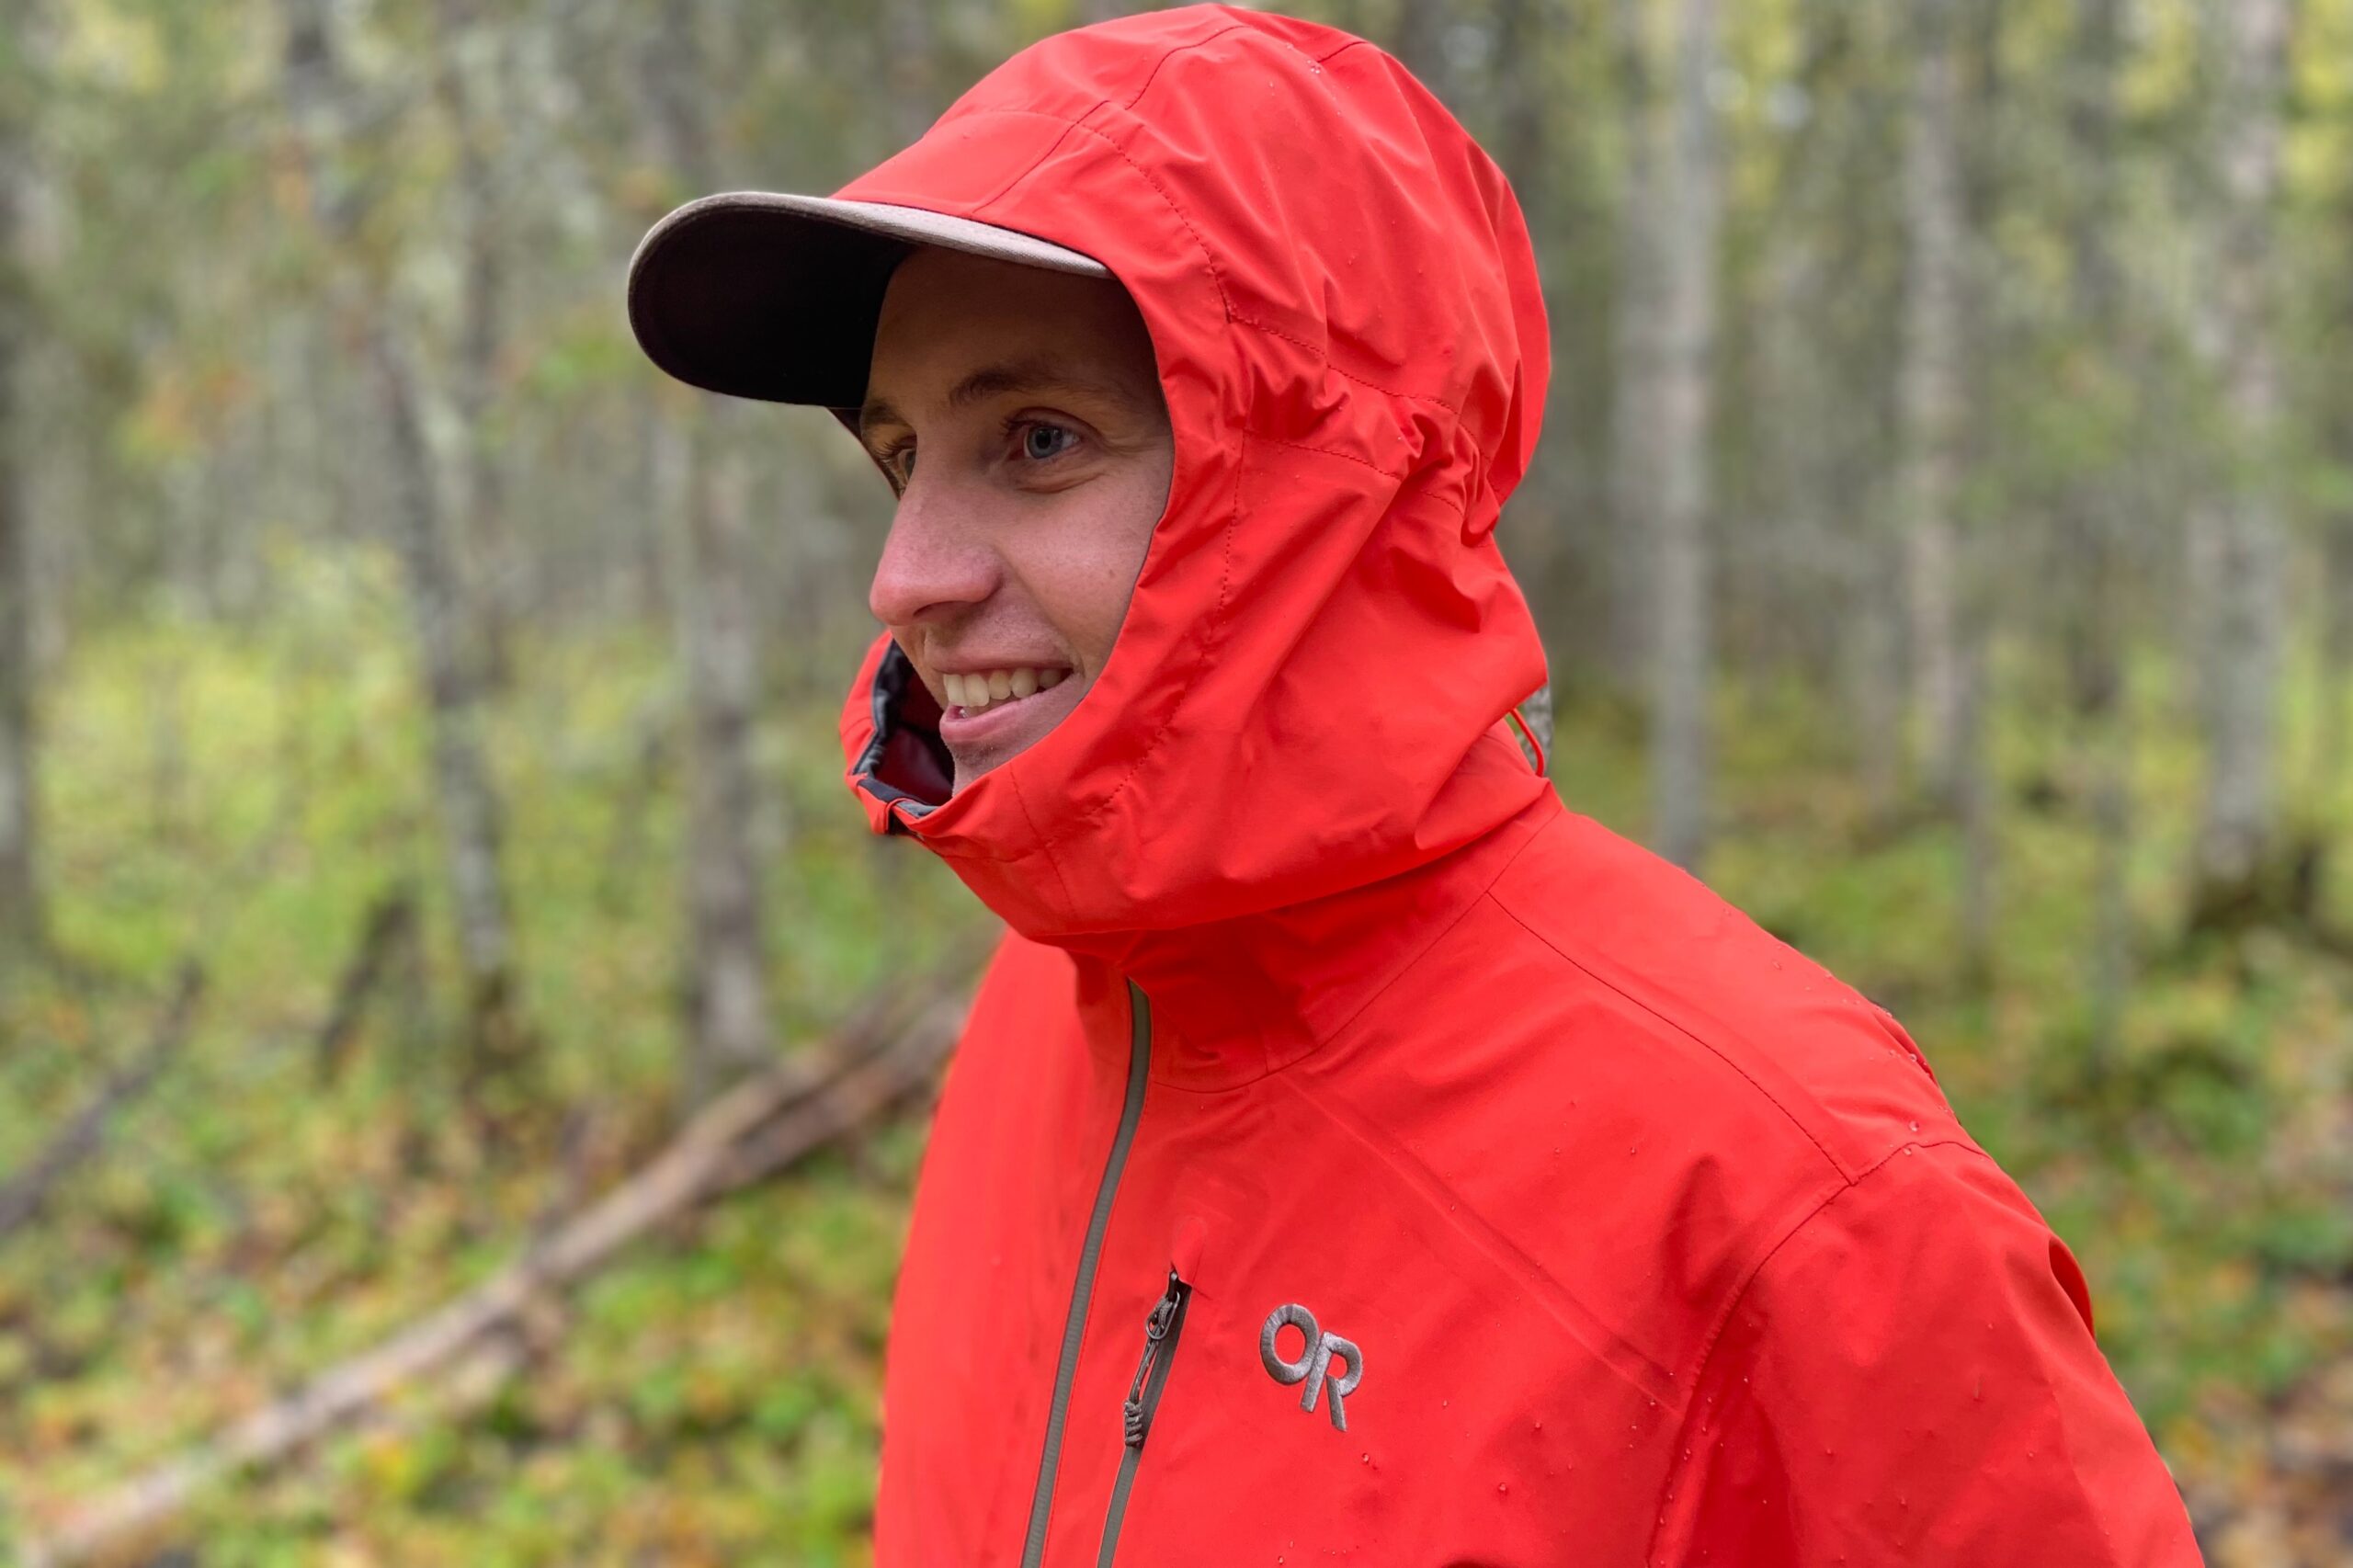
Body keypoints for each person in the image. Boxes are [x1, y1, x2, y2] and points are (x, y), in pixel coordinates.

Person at [626, 6, 2204, 1563]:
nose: (908, 576)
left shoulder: (1798, 1202)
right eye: (905, 457)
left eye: (1038, 439)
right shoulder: (1049, 1008)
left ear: (1334, 474)